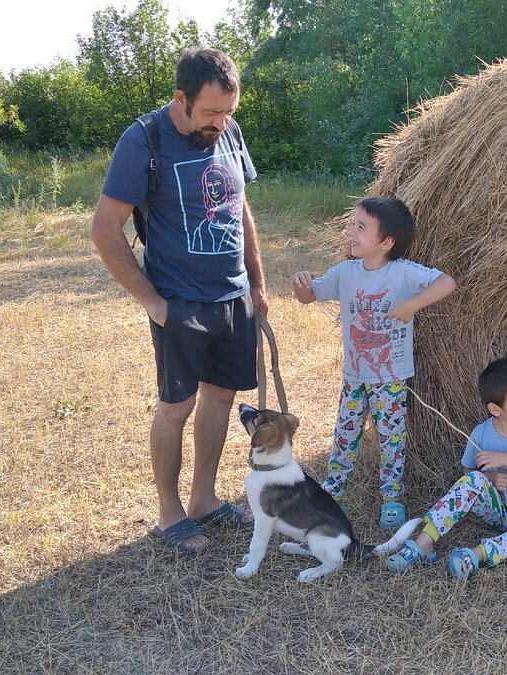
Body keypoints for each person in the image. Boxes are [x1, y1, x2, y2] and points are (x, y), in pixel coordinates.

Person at [90, 48, 265, 555]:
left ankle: (204, 500)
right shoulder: (142, 140)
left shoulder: (228, 130)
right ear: (181, 99)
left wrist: (256, 282)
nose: (220, 122)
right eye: (210, 112)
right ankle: (170, 514)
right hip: (179, 301)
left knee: (221, 397)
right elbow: (105, 229)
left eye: (228, 111)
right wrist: (152, 301)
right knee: (177, 406)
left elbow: (239, 208)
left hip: (233, 296)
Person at [291, 197, 456, 529]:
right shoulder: (346, 273)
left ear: (386, 242)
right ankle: (333, 491)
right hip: (354, 374)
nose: (352, 233)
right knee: (345, 433)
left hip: (390, 376)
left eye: (361, 227)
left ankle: (392, 497)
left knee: (391, 437)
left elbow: (447, 283)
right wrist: (301, 286)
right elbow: (309, 297)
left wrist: (412, 305)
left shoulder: (403, 272)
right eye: (354, 225)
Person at [387, 358, 507, 580]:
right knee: (474, 480)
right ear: (495, 409)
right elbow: (468, 475)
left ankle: (475, 555)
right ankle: (424, 544)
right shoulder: (480, 433)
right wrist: (490, 477)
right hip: (497, 510)